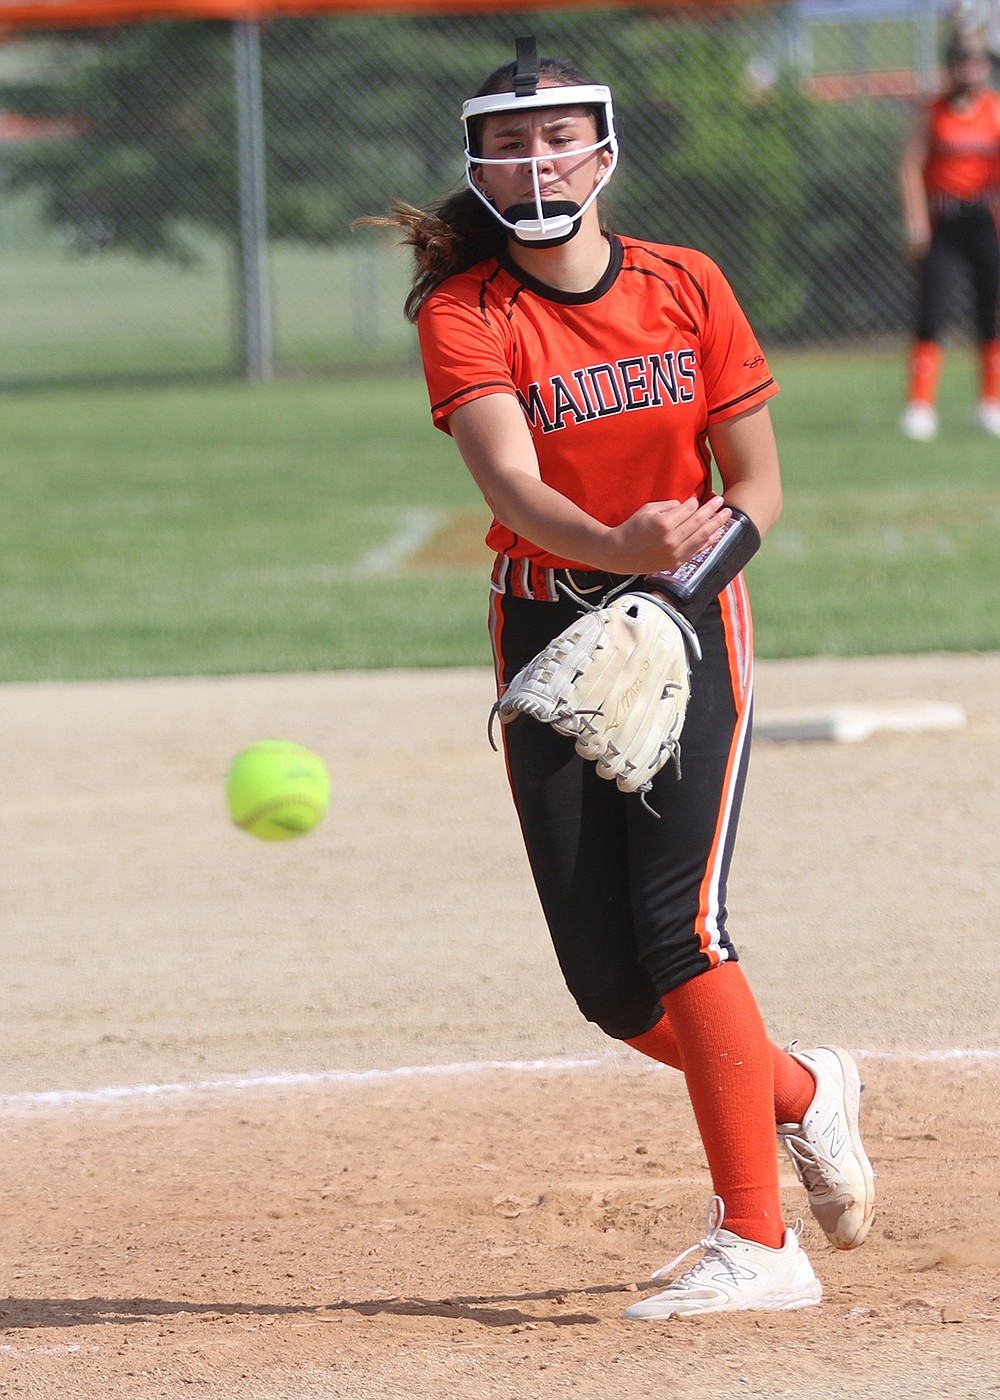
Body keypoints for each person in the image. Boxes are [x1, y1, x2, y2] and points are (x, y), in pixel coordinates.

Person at [370, 38, 875, 1319]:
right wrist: (618, 553)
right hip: (547, 630)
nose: (533, 160)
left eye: (556, 136)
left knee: (680, 926)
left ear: (601, 148)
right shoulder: (465, 310)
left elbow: (754, 489)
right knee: (610, 986)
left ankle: (756, 1241)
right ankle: (807, 1092)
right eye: (506, 140)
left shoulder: (684, 283)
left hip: (691, 626)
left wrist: (674, 589)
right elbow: (512, 489)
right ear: (476, 162)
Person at [898, 28, 1000, 440]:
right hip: (944, 223)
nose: (968, 70)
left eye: (975, 62)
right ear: (950, 66)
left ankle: (990, 403)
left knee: (989, 312)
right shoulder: (933, 112)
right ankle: (920, 406)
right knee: (932, 312)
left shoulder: (993, 110)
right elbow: (909, 167)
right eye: (961, 62)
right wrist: (915, 222)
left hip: (984, 222)